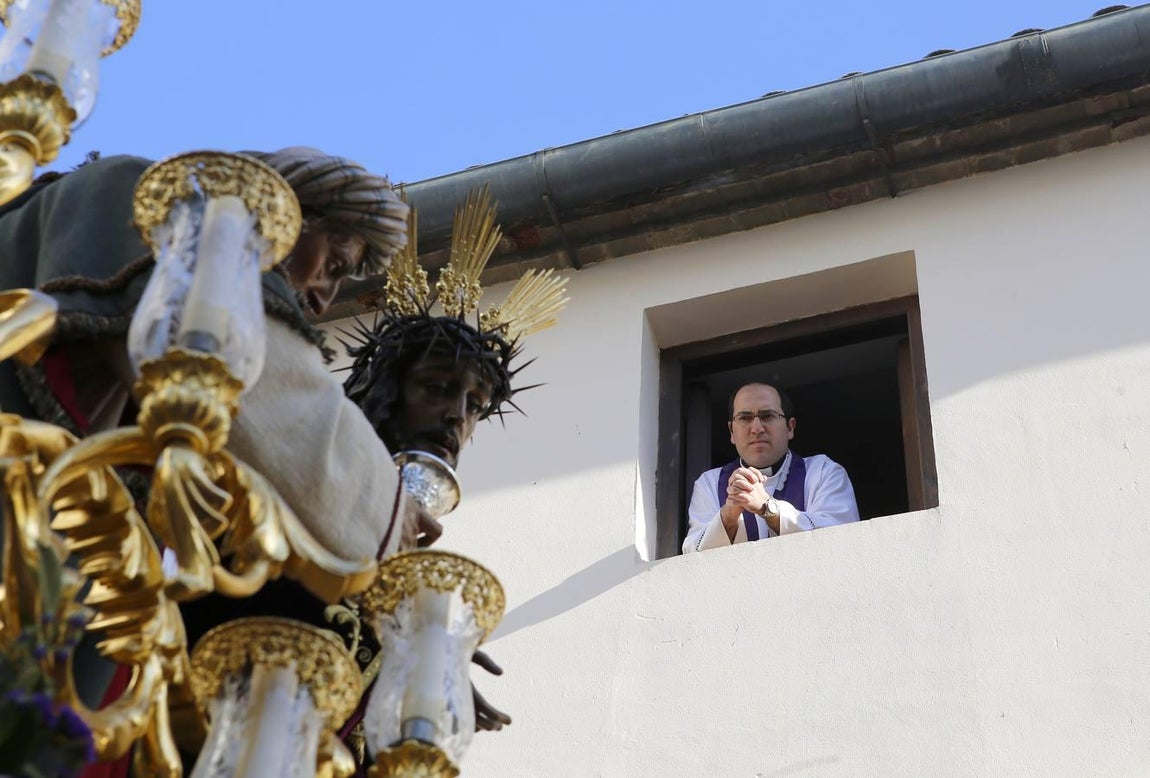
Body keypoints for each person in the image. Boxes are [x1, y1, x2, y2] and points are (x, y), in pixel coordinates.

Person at [682, 382, 860, 554]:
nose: (757, 428)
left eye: (767, 416)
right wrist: (727, 518)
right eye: (745, 418)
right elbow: (691, 555)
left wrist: (768, 508)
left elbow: (843, 537)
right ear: (731, 432)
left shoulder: (823, 472)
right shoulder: (709, 483)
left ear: (790, 427)